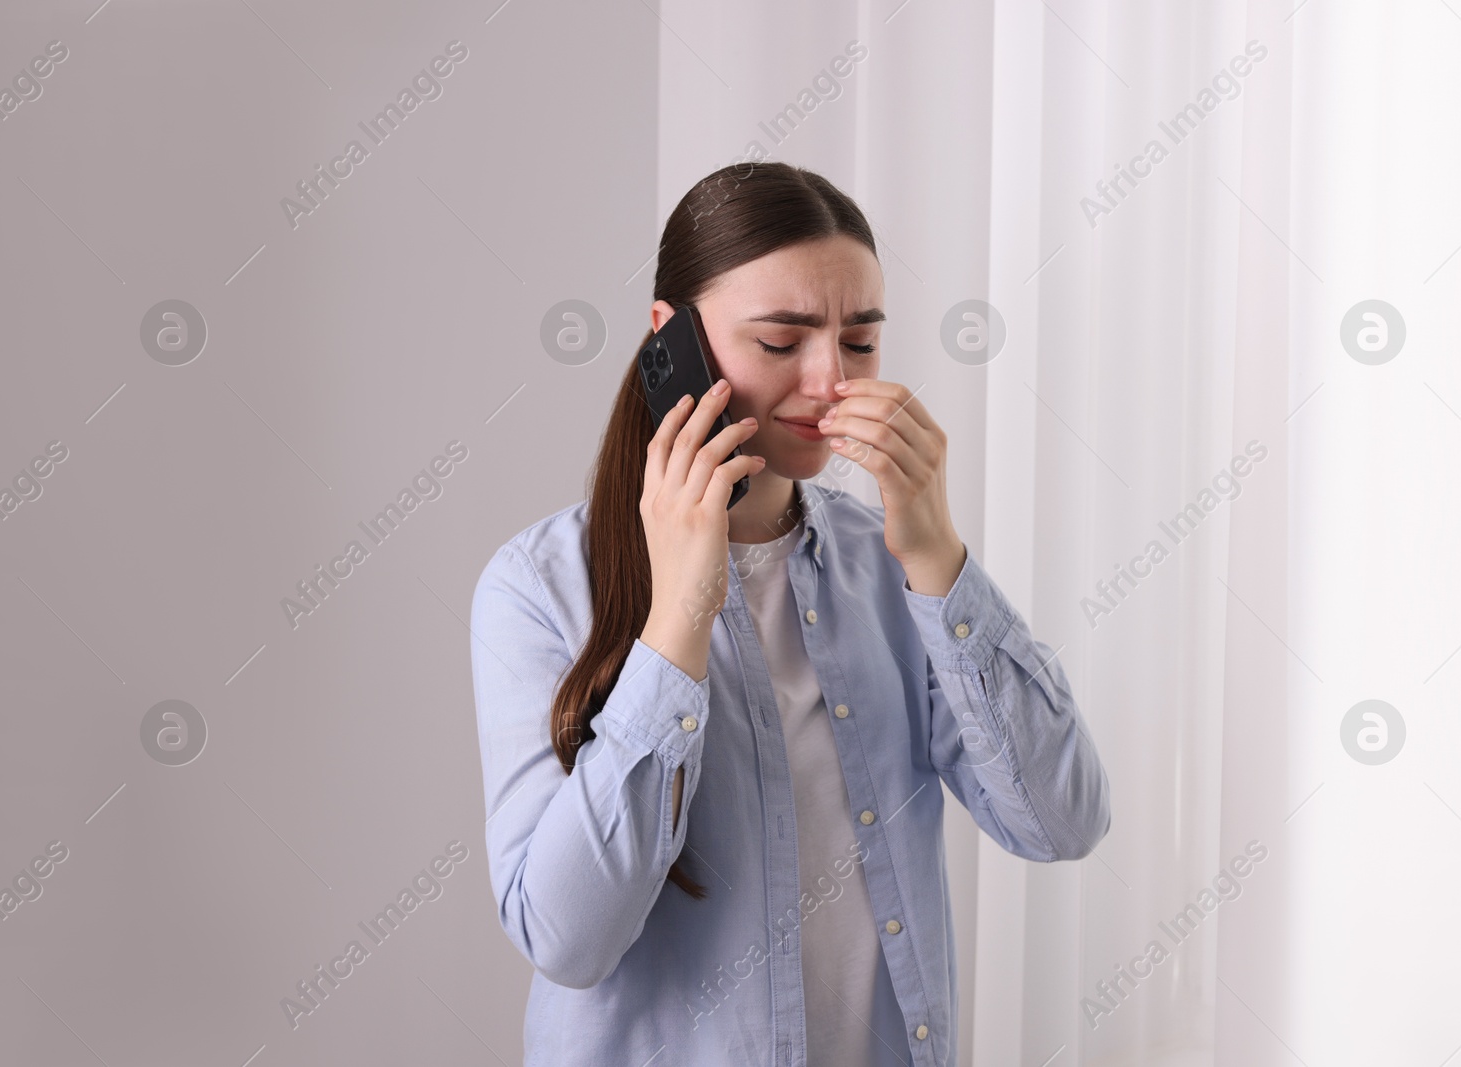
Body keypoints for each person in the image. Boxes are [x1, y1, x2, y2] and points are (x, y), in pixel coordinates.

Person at [470, 160, 1111, 1066]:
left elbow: (1061, 821)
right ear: (671, 341)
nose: (829, 383)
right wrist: (681, 619)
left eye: (860, 342)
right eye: (781, 342)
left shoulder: (891, 565)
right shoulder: (537, 589)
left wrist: (936, 554)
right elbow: (567, 939)